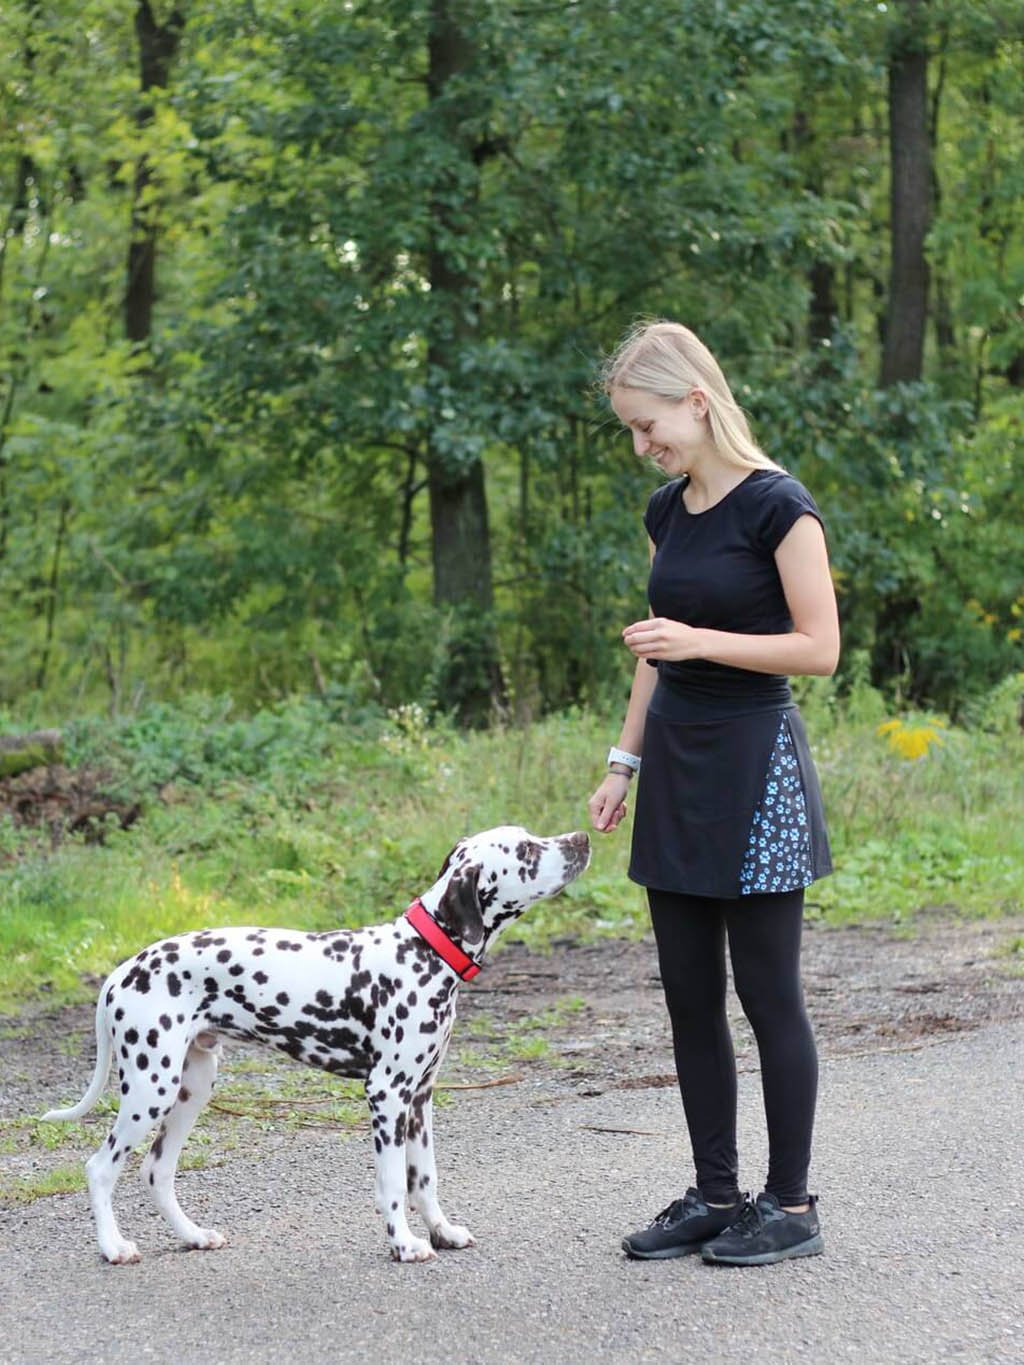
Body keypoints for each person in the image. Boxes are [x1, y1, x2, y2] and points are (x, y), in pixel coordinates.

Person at [588, 320, 839, 1267]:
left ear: (697, 400)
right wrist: (624, 761)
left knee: (767, 993)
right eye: (631, 429)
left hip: (757, 766)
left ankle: (791, 1204)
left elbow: (819, 648)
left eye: (648, 424)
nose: (642, 445)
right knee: (690, 996)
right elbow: (660, 648)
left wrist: (700, 642)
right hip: (679, 769)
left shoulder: (781, 508)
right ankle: (716, 1191)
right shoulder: (667, 510)